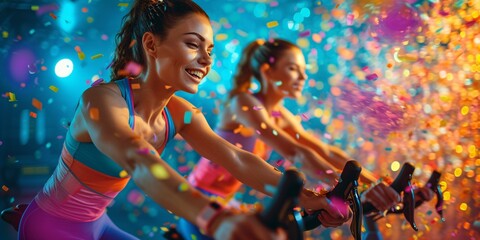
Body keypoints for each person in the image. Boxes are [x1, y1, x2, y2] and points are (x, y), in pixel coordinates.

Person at [15, 1, 351, 239]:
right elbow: (139, 160)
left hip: (99, 225)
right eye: (193, 45)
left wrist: (308, 197)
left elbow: (236, 158)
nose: (206, 59)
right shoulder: (102, 101)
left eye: (210, 49)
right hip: (50, 227)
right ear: (151, 45)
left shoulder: (179, 113)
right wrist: (215, 220)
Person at [180, 38, 434, 239]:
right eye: (293, 69)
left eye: (304, 70)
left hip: (227, 202)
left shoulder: (280, 114)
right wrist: (350, 187)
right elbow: (295, 153)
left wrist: (377, 182)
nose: (303, 77)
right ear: (267, 71)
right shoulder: (243, 102)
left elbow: (326, 151)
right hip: (198, 201)